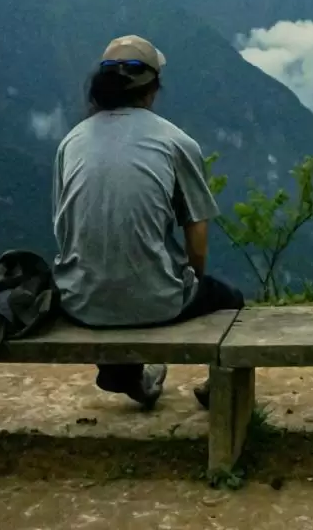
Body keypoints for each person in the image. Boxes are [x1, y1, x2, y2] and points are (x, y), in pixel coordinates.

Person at [51, 34, 244, 411]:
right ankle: (216, 385)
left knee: (113, 290)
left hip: (78, 300)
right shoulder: (175, 141)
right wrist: (194, 276)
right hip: (159, 301)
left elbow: (64, 229)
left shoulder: (71, 142)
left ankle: (124, 372)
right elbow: (197, 229)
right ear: (153, 89)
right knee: (229, 300)